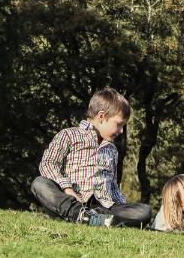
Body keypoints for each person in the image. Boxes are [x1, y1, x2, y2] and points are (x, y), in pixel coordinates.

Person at [30, 88, 152, 228]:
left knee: (144, 211)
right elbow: (48, 164)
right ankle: (78, 215)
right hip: (72, 200)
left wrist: (124, 207)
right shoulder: (69, 135)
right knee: (39, 183)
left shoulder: (112, 149)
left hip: (103, 207)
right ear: (101, 116)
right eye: (119, 124)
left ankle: (97, 219)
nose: (121, 131)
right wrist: (67, 189)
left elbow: (112, 185)